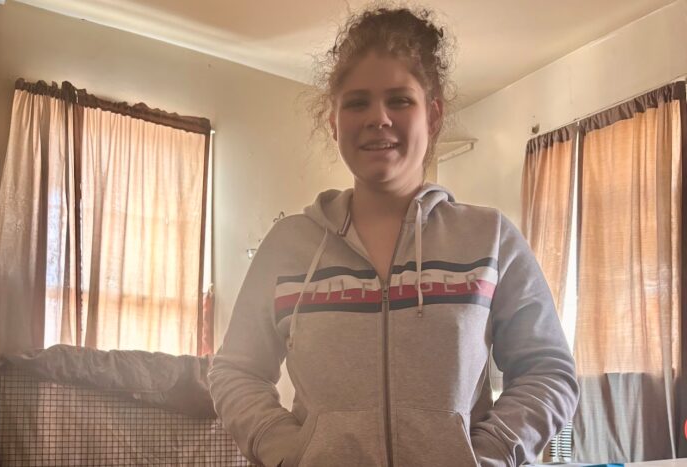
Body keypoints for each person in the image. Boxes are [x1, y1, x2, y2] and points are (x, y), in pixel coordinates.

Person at [208, 6, 579, 467]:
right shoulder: (287, 246)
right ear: (334, 121)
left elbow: (549, 371)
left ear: (433, 115)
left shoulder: (491, 239)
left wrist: (492, 453)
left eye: (400, 100)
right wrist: (287, 453)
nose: (378, 117)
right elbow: (234, 370)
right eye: (357, 102)